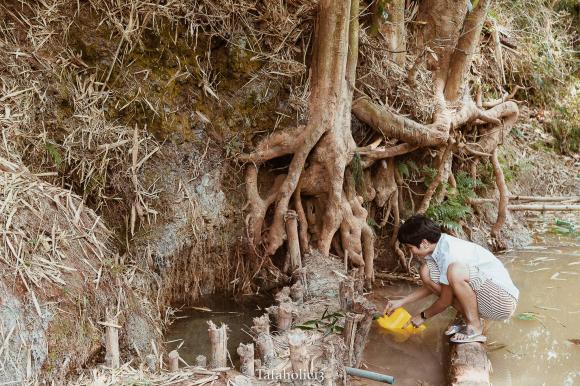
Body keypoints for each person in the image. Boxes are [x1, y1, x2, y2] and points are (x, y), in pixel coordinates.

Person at [384, 214, 519, 343]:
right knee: (426, 272)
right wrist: (402, 301)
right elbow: (433, 287)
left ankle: (475, 327)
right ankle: (468, 318)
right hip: (488, 300)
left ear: (424, 243)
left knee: (455, 271)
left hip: (502, 301)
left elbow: (445, 300)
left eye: (410, 247)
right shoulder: (437, 250)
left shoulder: (449, 253)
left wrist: (422, 316)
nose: (410, 252)